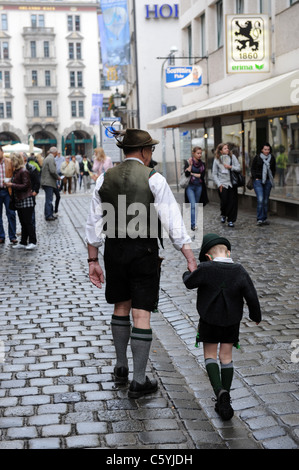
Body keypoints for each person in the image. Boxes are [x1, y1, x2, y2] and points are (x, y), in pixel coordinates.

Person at [85, 128, 197, 399]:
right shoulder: (154, 178)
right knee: (141, 314)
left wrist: (92, 261)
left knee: (121, 306)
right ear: (145, 151)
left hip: (114, 251)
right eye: (151, 150)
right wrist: (190, 258)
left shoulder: (104, 179)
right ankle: (138, 381)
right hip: (143, 251)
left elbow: (93, 224)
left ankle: (121, 366)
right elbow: (173, 221)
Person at [183, 233, 261, 420]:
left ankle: (219, 392)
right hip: (231, 322)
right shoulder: (239, 270)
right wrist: (255, 315)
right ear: (228, 252)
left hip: (209, 321)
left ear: (208, 257)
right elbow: (251, 295)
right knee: (226, 356)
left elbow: (189, 282)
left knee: (210, 355)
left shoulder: (205, 268)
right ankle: (226, 394)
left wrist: (188, 272)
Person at [4, 153, 37, 250]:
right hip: (20, 200)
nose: (11, 162)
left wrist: (12, 185)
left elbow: (25, 185)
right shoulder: (17, 171)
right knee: (23, 222)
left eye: (12, 160)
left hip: (26, 199)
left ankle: (32, 241)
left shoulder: (23, 171)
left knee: (28, 222)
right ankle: (23, 241)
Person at [212, 143, 241, 228]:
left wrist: (230, 167)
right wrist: (219, 184)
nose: (227, 150)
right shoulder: (217, 159)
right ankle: (223, 214)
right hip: (222, 184)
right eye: (225, 148)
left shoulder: (233, 157)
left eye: (227, 148)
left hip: (232, 184)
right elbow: (214, 174)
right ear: (221, 151)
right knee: (224, 202)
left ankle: (231, 220)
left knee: (232, 203)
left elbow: (238, 168)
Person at [251, 143, 276, 226]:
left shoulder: (272, 158)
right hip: (258, 181)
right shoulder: (257, 157)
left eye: (268, 149)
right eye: (265, 149)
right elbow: (252, 168)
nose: (267, 151)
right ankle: (259, 219)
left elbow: (274, 169)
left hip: (268, 181)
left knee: (265, 201)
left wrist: (270, 178)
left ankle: (264, 218)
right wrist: (255, 177)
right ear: (262, 150)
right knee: (260, 199)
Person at [184, 146, 209, 231]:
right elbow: (187, 174)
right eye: (198, 153)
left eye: (200, 153)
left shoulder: (202, 164)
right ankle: (193, 224)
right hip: (190, 187)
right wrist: (190, 165)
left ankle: (194, 222)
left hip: (199, 186)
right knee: (193, 205)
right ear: (193, 153)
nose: (199, 155)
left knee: (197, 205)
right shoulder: (188, 162)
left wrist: (193, 174)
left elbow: (202, 176)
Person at [0, 146, 17, 245]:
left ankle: (12, 236)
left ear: (2, 152)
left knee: (11, 214)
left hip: (8, 191)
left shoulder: (9, 162)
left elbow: (15, 175)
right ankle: (1, 236)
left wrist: (12, 182)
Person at [40, 147, 60, 221]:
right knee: (49, 200)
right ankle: (48, 215)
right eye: (57, 152)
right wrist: (58, 177)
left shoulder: (47, 158)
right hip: (49, 182)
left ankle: (49, 214)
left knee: (49, 199)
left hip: (47, 182)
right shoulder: (51, 159)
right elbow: (52, 171)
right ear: (54, 152)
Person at [22, 152, 40, 228]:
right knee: (23, 214)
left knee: (31, 213)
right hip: (21, 194)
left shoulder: (31, 168)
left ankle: (32, 231)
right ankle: (25, 230)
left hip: (30, 193)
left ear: (25, 158)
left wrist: (35, 191)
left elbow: (37, 181)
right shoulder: (17, 168)